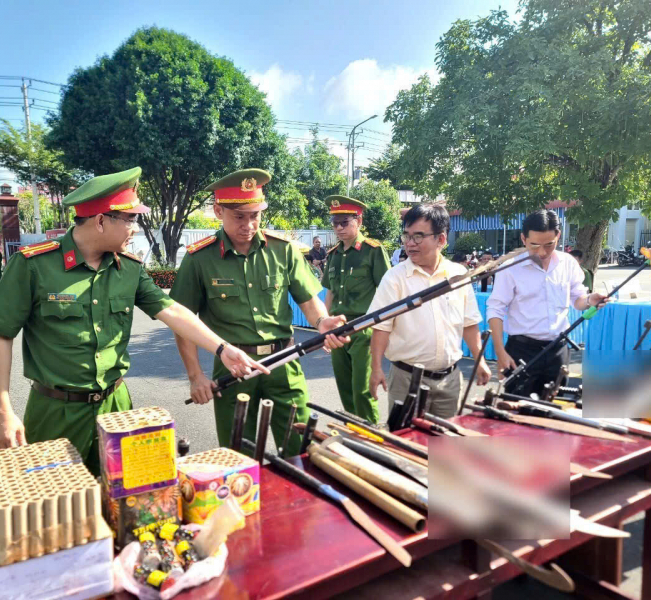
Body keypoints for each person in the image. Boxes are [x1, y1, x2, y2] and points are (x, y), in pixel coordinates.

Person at [0, 167, 265, 475]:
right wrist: (2, 411)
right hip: (56, 412)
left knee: (126, 495)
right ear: (101, 221)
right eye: (130, 219)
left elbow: (172, 311)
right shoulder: (34, 266)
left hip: (115, 407)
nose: (135, 229)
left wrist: (223, 349)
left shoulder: (129, 269)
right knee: (55, 499)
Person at [170, 169, 347, 456]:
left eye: (255, 215)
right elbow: (183, 321)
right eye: (239, 216)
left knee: (301, 449)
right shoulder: (199, 259)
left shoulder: (282, 250)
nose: (248, 224)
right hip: (233, 368)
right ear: (218, 211)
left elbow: (307, 299)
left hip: (283, 362)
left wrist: (321, 321)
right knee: (239, 456)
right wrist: (195, 375)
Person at [368, 204, 491, 418]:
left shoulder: (457, 275)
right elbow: (382, 327)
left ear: (441, 239)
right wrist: (376, 367)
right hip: (407, 379)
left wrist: (480, 360)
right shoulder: (395, 278)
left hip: (450, 381)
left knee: (446, 437)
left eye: (418, 237)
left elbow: (469, 323)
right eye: (406, 236)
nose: (409, 243)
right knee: (406, 437)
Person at [487, 210, 608, 398]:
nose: (542, 252)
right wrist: (500, 352)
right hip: (522, 350)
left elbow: (578, 300)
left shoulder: (567, 263)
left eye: (549, 245)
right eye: (535, 245)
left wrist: (589, 300)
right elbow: (495, 309)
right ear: (523, 239)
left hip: (558, 349)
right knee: (518, 408)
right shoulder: (510, 268)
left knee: (556, 406)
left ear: (558, 237)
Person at [322, 195, 391, 423]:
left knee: (362, 390)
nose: (339, 228)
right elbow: (330, 293)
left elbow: (387, 291)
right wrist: (324, 328)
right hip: (338, 329)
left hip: (364, 327)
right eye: (335, 224)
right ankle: (354, 432)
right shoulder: (333, 255)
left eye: (344, 223)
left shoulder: (373, 251)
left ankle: (372, 435)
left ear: (358, 221)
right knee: (345, 389)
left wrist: (383, 329)